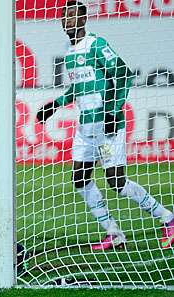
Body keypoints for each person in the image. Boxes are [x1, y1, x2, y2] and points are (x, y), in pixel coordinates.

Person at [36, 0, 174, 250]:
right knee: (79, 178)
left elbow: (123, 74)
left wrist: (112, 110)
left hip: (107, 125)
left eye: (72, 16)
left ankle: (168, 218)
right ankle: (113, 231)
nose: (66, 20)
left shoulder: (95, 45)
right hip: (85, 127)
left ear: (83, 19)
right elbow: (79, 88)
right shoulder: (69, 52)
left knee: (117, 183)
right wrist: (54, 105)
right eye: (63, 16)